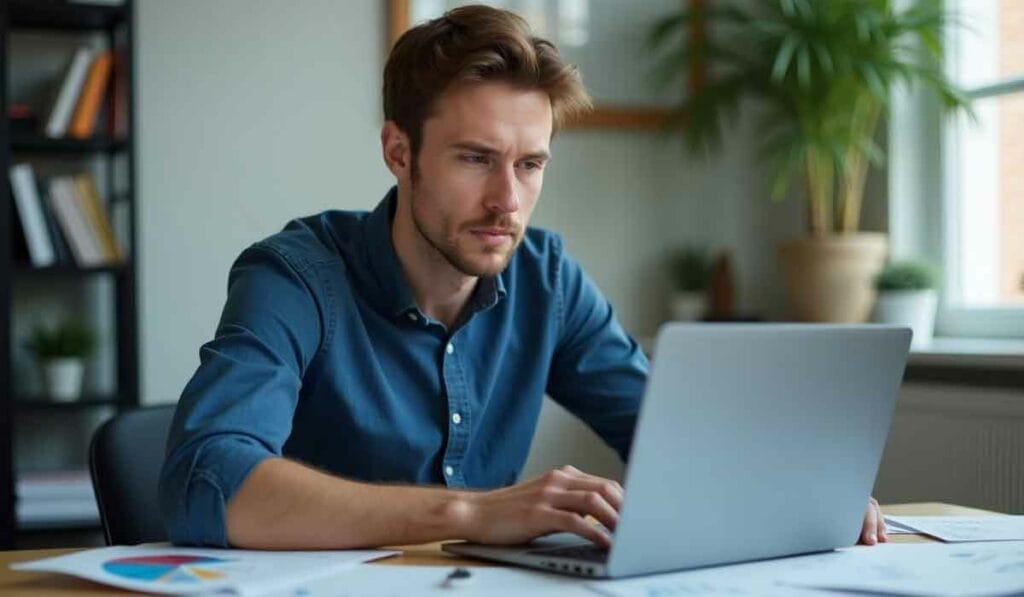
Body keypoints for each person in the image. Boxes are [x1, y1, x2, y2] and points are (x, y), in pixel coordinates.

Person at [158, 4, 888, 550]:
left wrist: (796, 487)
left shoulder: (547, 279)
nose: (508, 200)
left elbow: (669, 435)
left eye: (530, 164)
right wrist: (472, 512)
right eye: (475, 158)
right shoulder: (294, 275)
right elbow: (206, 479)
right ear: (398, 151)